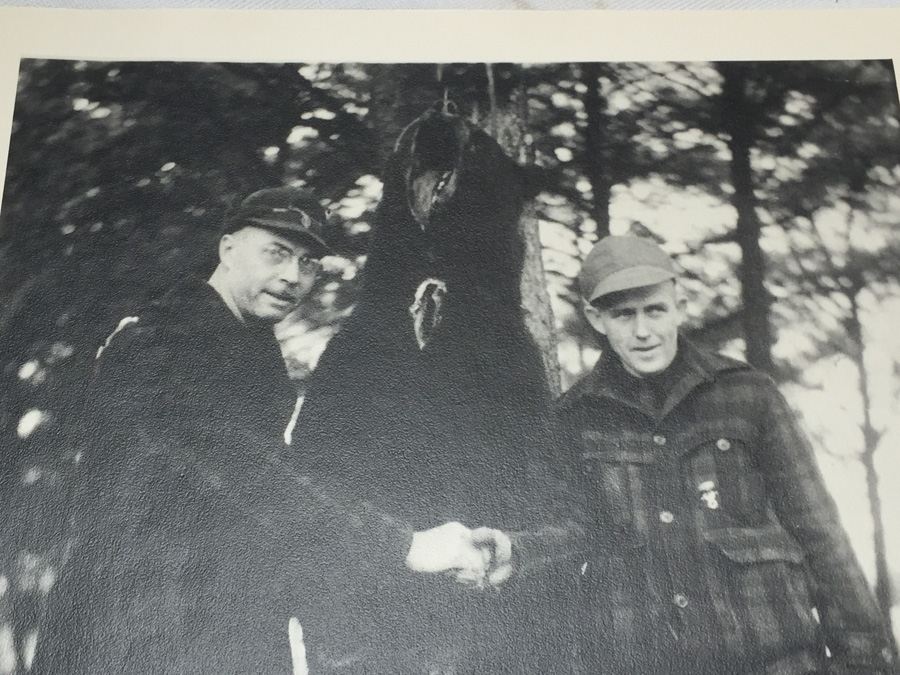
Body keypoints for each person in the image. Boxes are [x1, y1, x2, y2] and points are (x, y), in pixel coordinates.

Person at [33, 186, 503, 674]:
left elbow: (275, 500)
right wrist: (402, 545)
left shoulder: (255, 356)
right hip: (132, 629)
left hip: (221, 628)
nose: (291, 277)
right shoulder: (158, 340)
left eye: (308, 264)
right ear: (228, 249)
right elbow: (243, 475)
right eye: (277, 253)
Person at [557, 235, 897, 674]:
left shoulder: (747, 394)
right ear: (596, 318)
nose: (643, 331)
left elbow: (818, 532)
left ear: (678, 305)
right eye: (623, 315)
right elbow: (566, 537)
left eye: (655, 310)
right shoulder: (575, 418)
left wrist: (864, 661)